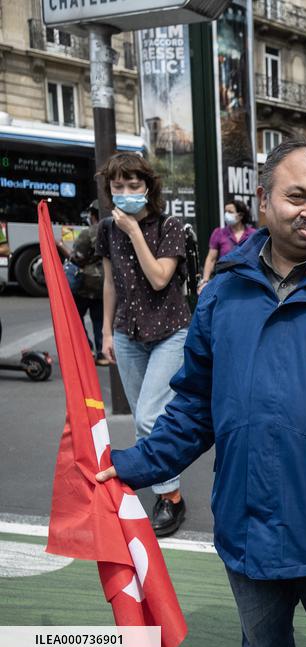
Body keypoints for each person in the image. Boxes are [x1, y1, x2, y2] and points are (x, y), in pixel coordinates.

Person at [95, 139, 306, 647]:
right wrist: (131, 466)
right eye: (297, 197)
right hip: (247, 526)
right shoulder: (223, 295)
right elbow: (194, 406)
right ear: (264, 200)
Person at [95, 152, 191, 537]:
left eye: (134, 185)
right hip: (127, 332)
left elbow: (158, 278)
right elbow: (109, 282)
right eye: (118, 187)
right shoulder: (106, 229)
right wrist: (105, 331)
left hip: (170, 330)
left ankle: (171, 497)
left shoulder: (170, 226)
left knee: (152, 416)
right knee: (141, 419)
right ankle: (158, 487)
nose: (126, 193)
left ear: (148, 187)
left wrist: (135, 231)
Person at [70, 204, 109, 365]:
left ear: (93, 215)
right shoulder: (112, 230)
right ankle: (102, 353)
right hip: (105, 283)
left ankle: (87, 349)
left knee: (76, 318)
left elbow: (77, 256)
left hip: (86, 283)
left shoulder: (88, 233)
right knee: (100, 319)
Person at [198, 199, 255, 294]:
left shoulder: (253, 234)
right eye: (225, 211)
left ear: (240, 215)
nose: (226, 214)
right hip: (224, 283)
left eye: (230, 212)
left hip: (249, 283)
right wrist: (205, 281)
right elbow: (211, 259)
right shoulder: (219, 233)